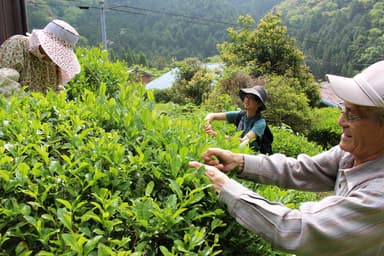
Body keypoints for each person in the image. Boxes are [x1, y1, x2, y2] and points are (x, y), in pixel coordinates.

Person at [190, 60, 384, 255]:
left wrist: (227, 189)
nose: (340, 121)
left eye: (352, 115)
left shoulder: (378, 196)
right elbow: (304, 169)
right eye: (344, 109)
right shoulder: (352, 153)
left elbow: (299, 230)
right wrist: (240, 162)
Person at [0, 19, 81, 93]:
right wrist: (28, 103)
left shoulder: (53, 63)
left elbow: (56, 91)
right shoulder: (19, 44)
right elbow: (5, 82)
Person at [204, 85, 271, 153]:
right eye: (247, 96)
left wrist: (215, 134)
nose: (247, 99)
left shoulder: (260, 123)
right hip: (237, 153)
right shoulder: (240, 115)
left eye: (252, 98)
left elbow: (243, 142)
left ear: (259, 104)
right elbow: (212, 115)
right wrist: (207, 123)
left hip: (250, 157)